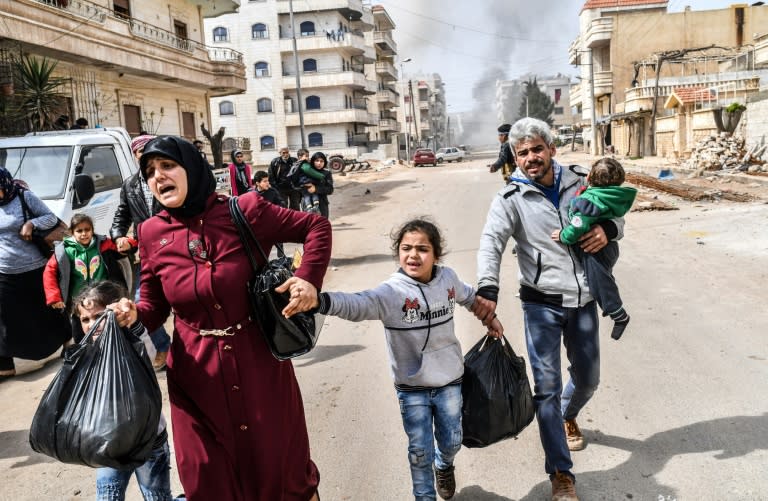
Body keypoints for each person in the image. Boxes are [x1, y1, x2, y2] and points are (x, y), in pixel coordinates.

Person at [121, 135, 331, 500]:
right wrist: (131, 313)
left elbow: (315, 228)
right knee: (205, 480)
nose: (158, 177)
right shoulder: (151, 233)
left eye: (168, 166)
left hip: (259, 368)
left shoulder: (245, 210)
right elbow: (154, 310)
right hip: (194, 378)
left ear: (191, 168)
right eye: (150, 171)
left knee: (279, 474)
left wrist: (308, 279)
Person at [473, 117, 625, 501]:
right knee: (546, 387)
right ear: (515, 158)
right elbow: (491, 242)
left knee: (588, 378)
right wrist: (487, 287)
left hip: (584, 299)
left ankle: (566, 414)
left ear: (552, 149)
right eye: (522, 153)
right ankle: (561, 473)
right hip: (541, 303)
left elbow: (615, 206)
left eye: (537, 149)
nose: (530, 158)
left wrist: (609, 230)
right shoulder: (510, 199)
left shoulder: (579, 179)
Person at [315, 218, 503, 501]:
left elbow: (469, 298)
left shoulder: (448, 279)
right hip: (411, 388)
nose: (413, 255)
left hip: (449, 381)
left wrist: (490, 318)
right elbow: (357, 304)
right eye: (406, 248)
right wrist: (320, 301)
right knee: (418, 451)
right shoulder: (391, 292)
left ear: (436, 255)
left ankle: (444, 464)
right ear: (398, 252)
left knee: (452, 440)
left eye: (422, 249)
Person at [73, 281, 173, 501]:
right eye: (85, 319)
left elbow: (150, 354)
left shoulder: (132, 340)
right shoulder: (85, 351)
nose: (91, 325)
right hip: (108, 445)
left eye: (98, 316)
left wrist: (134, 324)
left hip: (149, 442)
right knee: (107, 496)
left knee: (157, 496)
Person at [551, 157, 637, 340]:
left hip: (594, 251)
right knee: (603, 279)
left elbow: (578, 225)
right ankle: (614, 306)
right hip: (608, 249)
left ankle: (617, 313)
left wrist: (563, 235)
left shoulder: (589, 200)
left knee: (598, 283)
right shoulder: (613, 196)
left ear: (589, 177)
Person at [0, 168, 70, 381]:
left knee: (49, 308)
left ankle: (68, 340)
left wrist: (31, 223)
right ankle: (5, 364)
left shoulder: (23, 196)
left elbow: (50, 218)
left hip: (35, 267)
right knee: (4, 318)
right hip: (4, 270)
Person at [110, 134, 172, 371]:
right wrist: (119, 236)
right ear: (135, 156)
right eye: (139, 151)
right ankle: (163, 346)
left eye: (148, 149)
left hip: (176, 246)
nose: (144, 154)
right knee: (140, 301)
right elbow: (122, 214)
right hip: (147, 252)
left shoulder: (168, 177)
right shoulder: (130, 184)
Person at [43, 213, 135, 343]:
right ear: (72, 232)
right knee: (81, 337)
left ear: (92, 230)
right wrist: (54, 296)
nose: (84, 234)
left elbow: (123, 246)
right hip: (79, 303)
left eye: (87, 229)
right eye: (79, 231)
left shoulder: (103, 243)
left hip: (104, 300)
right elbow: (49, 271)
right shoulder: (64, 251)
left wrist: (128, 243)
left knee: (113, 332)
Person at [300, 152, 333, 218]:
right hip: (307, 204)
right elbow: (296, 184)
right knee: (309, 226)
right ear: (313, 161)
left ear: (325, 162)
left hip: (322, 204)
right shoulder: (306, 171)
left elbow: (330, 189)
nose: (319, 163)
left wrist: (316, 189)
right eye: (317, 161)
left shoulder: (327, 173)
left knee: (322, 225)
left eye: (321, 161)